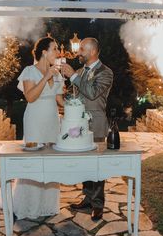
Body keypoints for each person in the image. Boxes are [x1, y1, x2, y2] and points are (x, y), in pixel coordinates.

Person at [61, 37, 114, 220]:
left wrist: (73, 77)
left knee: (97, 165)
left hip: (96, 123)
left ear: (92, 52)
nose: (78, 53)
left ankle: (98, 205)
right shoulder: (80, 71)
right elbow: (74, 94)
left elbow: (91, 93)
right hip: (80, 124)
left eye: (82, 49)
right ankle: (88, 198)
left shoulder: (106, 73)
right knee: (85, 163)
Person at [12, 36, 65, 219]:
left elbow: (59, 100)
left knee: (51, 162)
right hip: (34, 119)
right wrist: (46, 77)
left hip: (52, 120)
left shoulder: (57, 75)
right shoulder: (29, 71)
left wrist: (76, 106)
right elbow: (30, 97)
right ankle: (29, 206)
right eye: (55, 49)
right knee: (33, 163)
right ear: (44, 51)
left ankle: (47, 205)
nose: (58, 53)